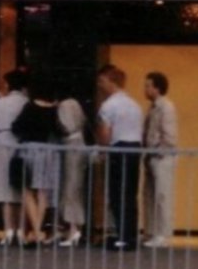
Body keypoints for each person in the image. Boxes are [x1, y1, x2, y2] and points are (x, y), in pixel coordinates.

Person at [95, 64, 144, 251]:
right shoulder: (135, 105)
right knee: (130, 194)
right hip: (135, 149)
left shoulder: (108, 106)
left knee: (116, 193)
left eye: (102, 81)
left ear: (112, 82)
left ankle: (121, 235)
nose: (100, 85)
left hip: (118, 149)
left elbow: (105, 133)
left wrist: (102, 150)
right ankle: (130, 235)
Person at [10, 76, 62, 249]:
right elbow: (58, 131)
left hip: (29, 150)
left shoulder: (30, 107)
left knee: (26, 190)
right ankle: (37, 231)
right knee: (43, 193)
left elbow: (16, 127)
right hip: (47, 152)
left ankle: (36, 231)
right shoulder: (53, 109)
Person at [0, 69, 29, 247]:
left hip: (2, 140)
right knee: (21, 186)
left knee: (3, 185)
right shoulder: (26, 102)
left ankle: (8, 229)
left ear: (7, 85)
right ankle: (21, 229)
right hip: (21, 142)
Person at [141, 71, 180, 249]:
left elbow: (170, 136)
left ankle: (163, 234)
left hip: (162, 157)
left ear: (157, 88)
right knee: (150, 194)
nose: (145, 89)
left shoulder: (166, 107)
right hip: (151, 156)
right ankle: (151, 230)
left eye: (148, 86)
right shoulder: (153, 107)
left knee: (162, 196)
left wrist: (158, 150)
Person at [53, 85, 89, 249]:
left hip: (70, 146)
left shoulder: (64, 105)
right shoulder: (76, 104)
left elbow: (66, 127)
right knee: (76, 187)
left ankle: (73, 229)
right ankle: (75, 227)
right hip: (79, 144)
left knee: (70, 188)